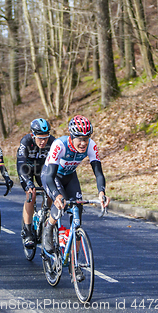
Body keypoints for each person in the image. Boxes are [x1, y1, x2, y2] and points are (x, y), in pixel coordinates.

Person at [41, 115, 109, 280]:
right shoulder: (60, 145)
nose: (84, 143)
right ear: (71, 136)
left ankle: (74, 263)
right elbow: (49, 176)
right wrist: (56, 196)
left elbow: (98, 172)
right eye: (80, 139)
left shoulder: (91, 146)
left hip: (70, 176)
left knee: (77, 213)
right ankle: (48, 228)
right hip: (52, 176)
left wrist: (102, 192)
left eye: (86, 139)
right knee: (60, 206)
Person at [17, 118, 56, 248]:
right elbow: (21, 164)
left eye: (45, 137)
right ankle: (28, 231)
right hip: (26, 169)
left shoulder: (53, 142)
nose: (43, 141)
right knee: (31, 194)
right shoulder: (26, 142)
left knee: (51, 191)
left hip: (42, 170)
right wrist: (28, 183)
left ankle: (45, 212)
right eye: (40, 138)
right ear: (33, 135)